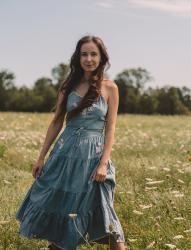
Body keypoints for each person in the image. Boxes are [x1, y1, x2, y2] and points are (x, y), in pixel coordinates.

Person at [15, 35, 126, 250]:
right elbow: (56, 122)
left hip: (94, 158)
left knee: (105, 210)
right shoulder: (68, 87)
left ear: (101, 57)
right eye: (84, 54)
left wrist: (104, 163)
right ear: (78, 57)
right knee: (64, 205)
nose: (89, 59)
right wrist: (41, 157)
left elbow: (110, 128)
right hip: (65, 155)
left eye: (93, 54)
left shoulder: (110, 88)